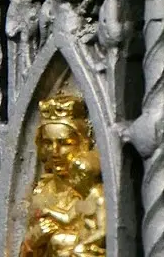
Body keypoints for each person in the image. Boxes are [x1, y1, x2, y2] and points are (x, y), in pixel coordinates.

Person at [18, 89, 108, 256]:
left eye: (65, 142)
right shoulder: (41, 192)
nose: (55, 151)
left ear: (82, 143)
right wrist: (33, 240)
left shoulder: (93, 192)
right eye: (47, 143)